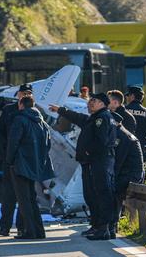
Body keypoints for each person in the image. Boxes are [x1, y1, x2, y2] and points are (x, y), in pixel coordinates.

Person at [49, 93, 116, 240]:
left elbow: (101, 141)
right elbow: (78, 117)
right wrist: (60, 110)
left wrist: (88, 152)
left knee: (100, 195)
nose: (90, 103)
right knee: (91, 195)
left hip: (98, 162)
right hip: (92, 163)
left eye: (95, 101)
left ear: (103, 104)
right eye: (90, 100)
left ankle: (104, 228)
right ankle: (97, 226)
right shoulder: (94, 118)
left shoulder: (101, 118)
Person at [6, 96, 54, 239]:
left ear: (21, 105)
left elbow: (13, 142)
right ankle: (39, 231)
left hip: (20, 164)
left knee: (23, 200)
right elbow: (48, 145)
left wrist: (9, 161)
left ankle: (30, 231)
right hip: (35, 165)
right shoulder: (42, 123)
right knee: (32, 199)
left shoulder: (20, 120)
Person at [0, 84, 33, 236]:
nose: (24, 95)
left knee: (25, 195)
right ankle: (5, 227)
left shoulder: (34, 111)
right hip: (10, 157)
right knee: (8, 194)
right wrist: (6, 148)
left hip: (26, 159)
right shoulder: (8, 110)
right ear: (18, 94)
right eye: (23, 93)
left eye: (28, 93)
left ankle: (22, 227)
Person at [110, 112, 144, 239]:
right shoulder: (121, 133)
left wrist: (111, 178)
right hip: (130, 173)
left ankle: (112, 225)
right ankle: (111, 224)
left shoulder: (122, 136)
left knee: (112, 190)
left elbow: (119, 161)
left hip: (131, 176)